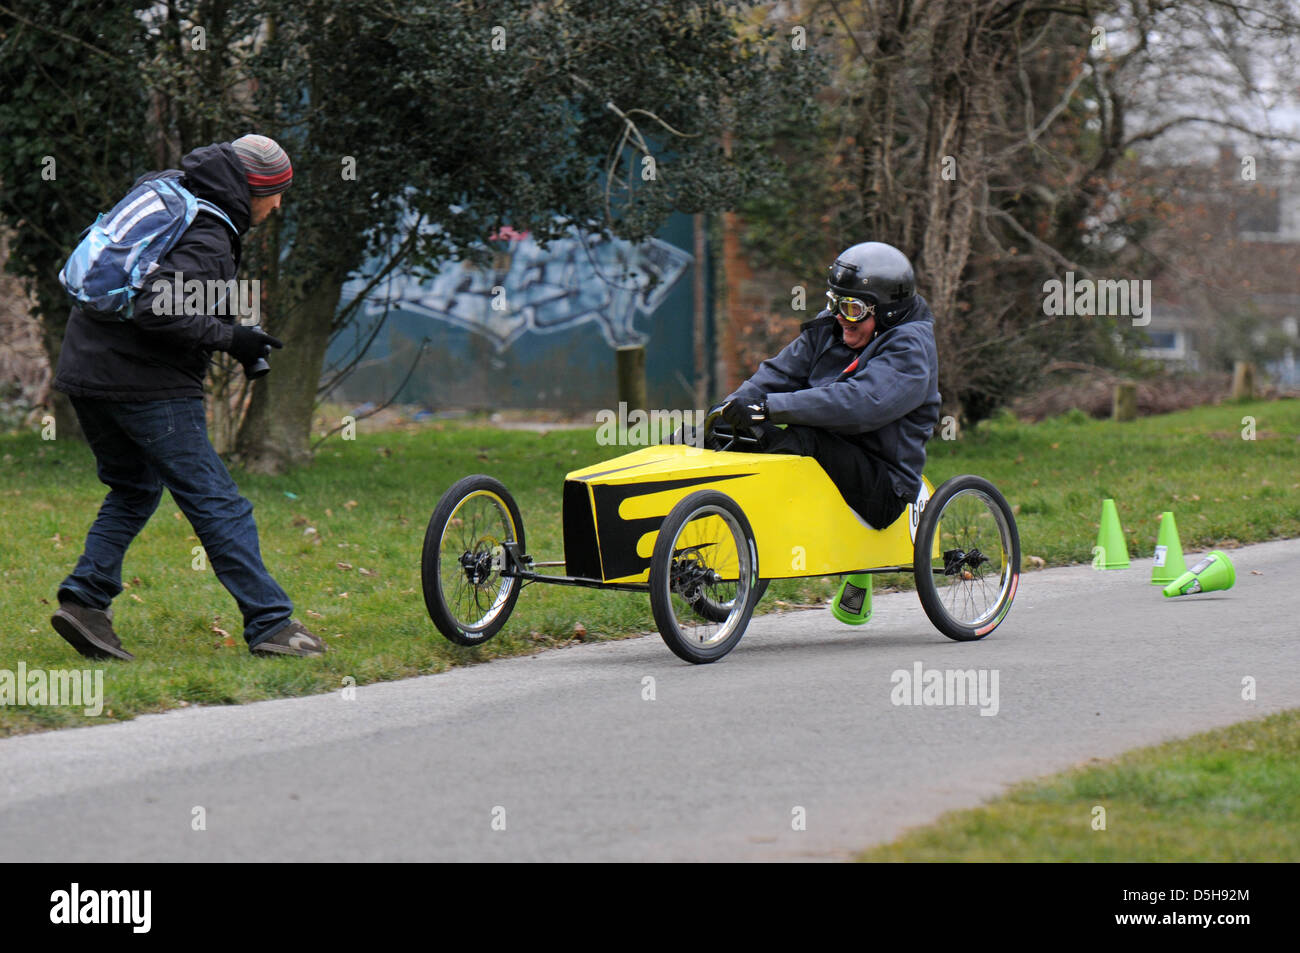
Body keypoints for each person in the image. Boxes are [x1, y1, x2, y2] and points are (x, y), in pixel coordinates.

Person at [49, 135, 328, 659]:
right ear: (255, 189)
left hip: (86, 369)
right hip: (146, 386)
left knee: (134, 489)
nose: (279, 205)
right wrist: (230, 338)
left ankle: (85, 602)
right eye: (277, 193)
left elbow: (160, 286)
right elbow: (158, 309)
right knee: (218, 503)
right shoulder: (209, 232)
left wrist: (234, 335)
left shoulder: (167, 187)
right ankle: (272, 624)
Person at [715, 241, 940, 531]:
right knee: (726, 431)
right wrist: (730, 408)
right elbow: (778, 373)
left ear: (888, 312)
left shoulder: (910, 350)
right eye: (835, 302)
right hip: (832, 459)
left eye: (852, 308)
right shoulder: (829, 328)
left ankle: (752, 524)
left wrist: (770, 409)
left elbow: (860, 403)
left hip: (883, 487)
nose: (840, 317)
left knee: (805, 438)